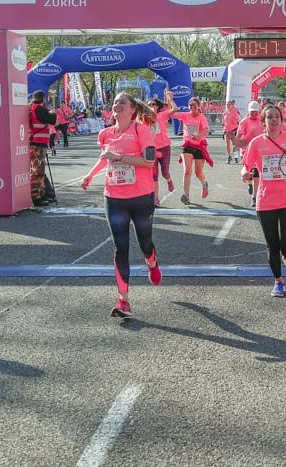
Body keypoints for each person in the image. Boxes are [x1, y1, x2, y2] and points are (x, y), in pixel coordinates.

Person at [81, 93, 162, 319]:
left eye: (121, 103)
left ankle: (152, 262)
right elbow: (103, 158)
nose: (116, 105)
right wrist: (89, 175)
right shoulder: (105, 133)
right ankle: (123, 300)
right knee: (120, 247)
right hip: (114, 198)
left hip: (141, 197)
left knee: (145, 242)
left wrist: (119, 157)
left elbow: (148, 162)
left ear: (132, 110)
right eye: (115, 102)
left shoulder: (141, 131)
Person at [241, 105, 286, 297]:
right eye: (269, 117)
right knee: (272, 245)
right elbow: (246, 166)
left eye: (277, 116)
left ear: (282, 119)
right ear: (264, 121)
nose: (274, 120)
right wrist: (245, 173)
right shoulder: (256, 143)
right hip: (266, 200)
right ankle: (278, 281)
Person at [172, 97, 212, 205]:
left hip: (199, 147)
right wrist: (170, 100)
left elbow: (207, 130)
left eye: (194, 105)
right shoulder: (185, 115)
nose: (192, 107)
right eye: (190, 105)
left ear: (198, 106)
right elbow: (172, 114)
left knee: (198, 173)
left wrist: (199, 136)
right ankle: (186, 195)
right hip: (187, 145)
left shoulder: (202, 117)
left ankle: (204, 184)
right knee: (187, 171)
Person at [147, 90, 178, 207]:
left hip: (164, 147)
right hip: (150, 150)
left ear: (157, 107)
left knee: (165, 173)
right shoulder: (144, 118)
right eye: (149, 105)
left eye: (153, 104)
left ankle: (169, 180)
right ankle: (155, 198)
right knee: (154, 175)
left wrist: (170, 98)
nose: (151, 106)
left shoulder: (162, 115)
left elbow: (175, 109)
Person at [29, 90, 57, 206]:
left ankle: (42, 193)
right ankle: (36, 196)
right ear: (43, 99)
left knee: (38, 171)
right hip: (38, 144)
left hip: (36, 142)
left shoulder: (32, 108)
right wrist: (53, 113)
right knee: (38, 172)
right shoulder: (38, 109)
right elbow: (52, 120)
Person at [236, 102, 265, 208]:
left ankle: (254, 197)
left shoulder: (262, 121)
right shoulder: (244, 122)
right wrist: (237, 144)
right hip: (246, 151)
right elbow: (238, 136)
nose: (254, 114)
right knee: (248, 175)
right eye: (252, 112)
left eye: (256, 112)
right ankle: (250, 184)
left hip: (259, 151)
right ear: (249, 111)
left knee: (257, 175)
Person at [223, 99, 241, 164]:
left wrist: (235, 121)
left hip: (234, 130)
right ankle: (229, 156)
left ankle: (236, 157)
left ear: (232, 105)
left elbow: (239, 119)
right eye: (227, 104)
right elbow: (224, 120)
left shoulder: (235, 111)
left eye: (229, 104)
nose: (227, 105)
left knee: (235, 144)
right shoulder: (225, 112)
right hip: (226, 130)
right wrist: (223, 124)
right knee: (227, 144)